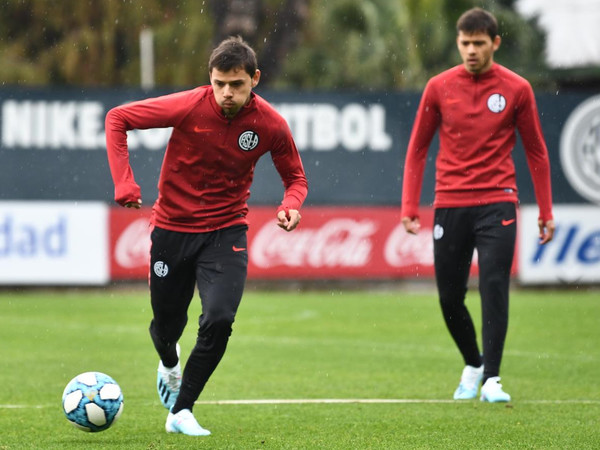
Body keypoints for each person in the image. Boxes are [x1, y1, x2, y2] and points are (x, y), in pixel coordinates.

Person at [105, 36, 308, 435]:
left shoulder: (270, 124)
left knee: (218, 318)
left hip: (226, 232)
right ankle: (168, 362)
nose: (227, 94)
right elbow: (117, 118)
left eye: (236, 84)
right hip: (171, 231)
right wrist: (124, 183)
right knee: (166, 327)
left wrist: (292, 205)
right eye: (219, 84)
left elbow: (296, 178)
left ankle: (181, 411)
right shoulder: (188, 105)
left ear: (255, 79)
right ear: (209, 80)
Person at [400, 7, 554, 403]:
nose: (471, 50)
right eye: (465, 43)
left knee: (494, 286)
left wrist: (546, 211)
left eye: (479, 43)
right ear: (458, 42)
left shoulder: (517, 88)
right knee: (450, 297)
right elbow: (417, 149)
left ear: (494, 43)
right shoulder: (438, 86)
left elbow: (536, 152)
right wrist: (409, 206)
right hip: (450, 202)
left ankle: (493, 380)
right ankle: (474, 362)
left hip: (498, 202)